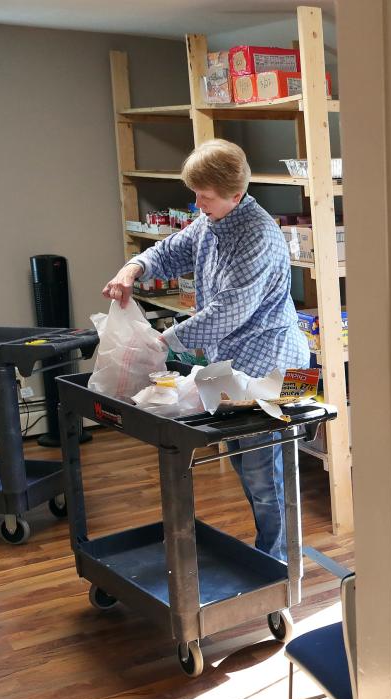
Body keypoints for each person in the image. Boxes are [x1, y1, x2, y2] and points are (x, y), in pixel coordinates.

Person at [103, 138, 308, 562]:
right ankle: (272, 555)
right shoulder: (212, 221)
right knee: (245, 464)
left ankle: (279, 564)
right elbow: (169, 250)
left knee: (264, 473)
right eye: (194, 194)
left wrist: (163, 340)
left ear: (236, 195)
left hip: (280, 366)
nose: (197, 204)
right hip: (231, 366)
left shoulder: (258, 236)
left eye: (206, 197)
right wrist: (132, 268)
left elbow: (228, 311)